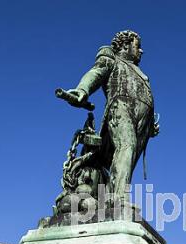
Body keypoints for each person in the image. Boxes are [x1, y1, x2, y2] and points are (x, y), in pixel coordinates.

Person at [66, 30, 159, 203]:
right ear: (125, 45)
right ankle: (118, 199)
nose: (141, 51)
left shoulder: (140, 73)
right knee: (126, 146)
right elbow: (96, 73)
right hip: (120, 109)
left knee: (128, 160)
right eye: (138, 46)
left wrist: (150, 126)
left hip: (142, 123)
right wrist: (82, 90)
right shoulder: (112, 59)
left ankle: (109, 197)